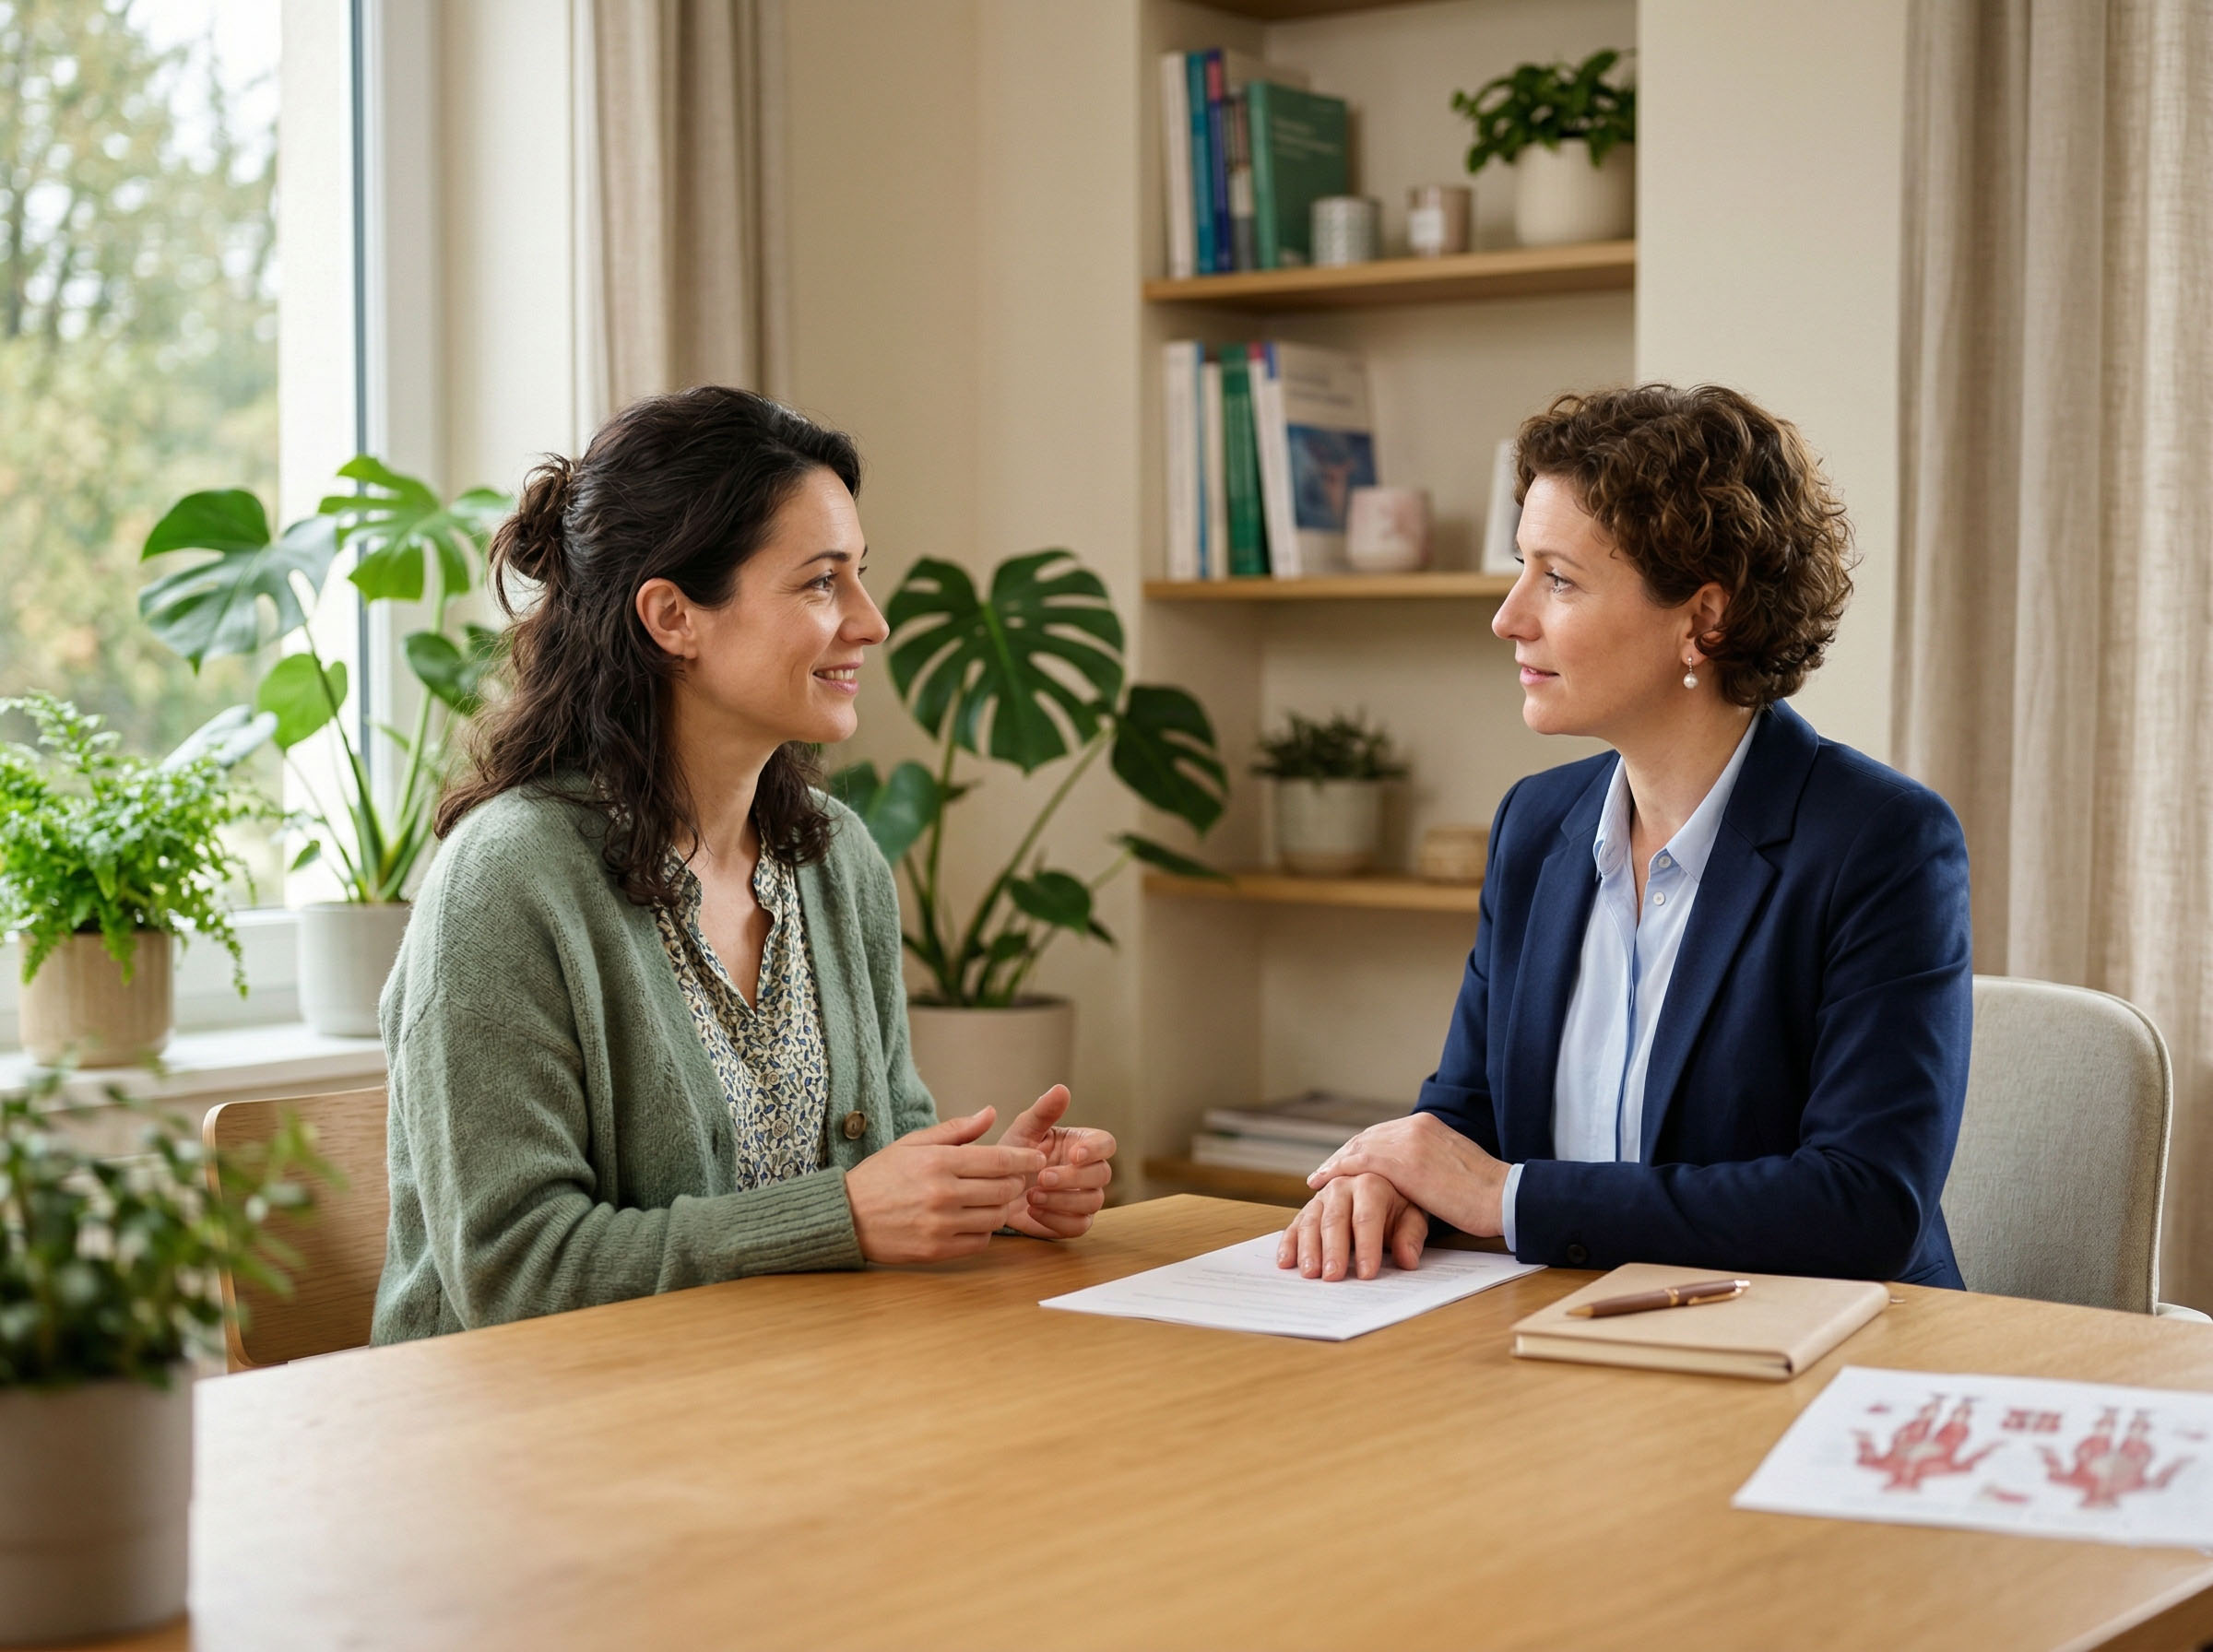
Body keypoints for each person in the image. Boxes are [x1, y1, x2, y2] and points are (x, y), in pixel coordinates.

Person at [373, 386, 1115, 1341]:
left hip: (779, 1407)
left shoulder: (836, 859)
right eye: (820, 582)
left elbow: (881, 1173)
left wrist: (981, 1197)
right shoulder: (508, 881)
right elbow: (513, 1275)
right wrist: (841, 1218)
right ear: (674, 616)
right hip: (527, 1446)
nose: (870, 621)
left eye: (859, 576)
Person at [1278, 384, 1971, 1289]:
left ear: (1704, 619)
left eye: (1558, 579)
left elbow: (1865, 1203)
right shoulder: (1535, 825)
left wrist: (1509, 1200)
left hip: (1818, 1372)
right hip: (1574, 1354)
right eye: (1521, 566)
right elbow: (1464, 1120)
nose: (1509, 616)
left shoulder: (1882, 843)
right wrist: (1382, 1182)